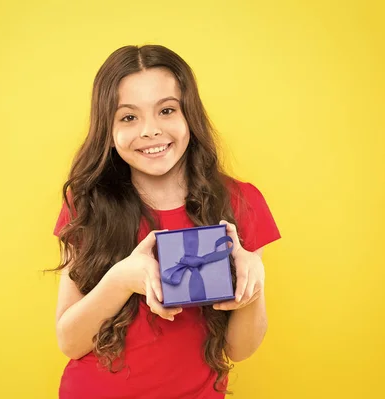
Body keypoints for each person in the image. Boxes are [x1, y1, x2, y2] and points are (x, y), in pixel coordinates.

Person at [51, 44, 281, 399]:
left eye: (167, 110)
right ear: (108, 132)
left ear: (189, 115)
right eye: (128, 117)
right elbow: (70, 342)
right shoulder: (88, 204)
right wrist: (121, 280)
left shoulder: (240, 202)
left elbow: (240, 350)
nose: (150, 130)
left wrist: (254, 286)